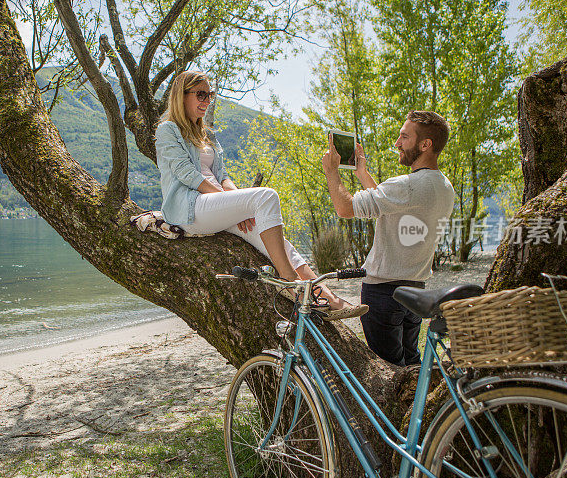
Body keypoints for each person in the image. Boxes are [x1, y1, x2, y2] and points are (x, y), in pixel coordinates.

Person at [156, 70, 363, 319]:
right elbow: (187, 175)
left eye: (209, 95)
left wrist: (237, 203)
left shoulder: (205, 134)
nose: (206, 100)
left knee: (279, 243)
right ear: (182, 95)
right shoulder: (168, 129)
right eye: (200, 94)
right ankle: (289, 281)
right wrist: (235, 203)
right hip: (190, 208)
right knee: (266, 196)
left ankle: (330, 300)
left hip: (214, 205)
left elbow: (222, 176)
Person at [321, 110, 455, 366]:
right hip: (414, 290)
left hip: (383, 293)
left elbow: (345, 208)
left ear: (425, 145)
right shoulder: (443, 186)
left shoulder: (407, 185)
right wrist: (362, 172)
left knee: (390, 371)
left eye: (404, 137)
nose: (397, 143)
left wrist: (331, 171)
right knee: (411, 364)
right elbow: (388, 204)